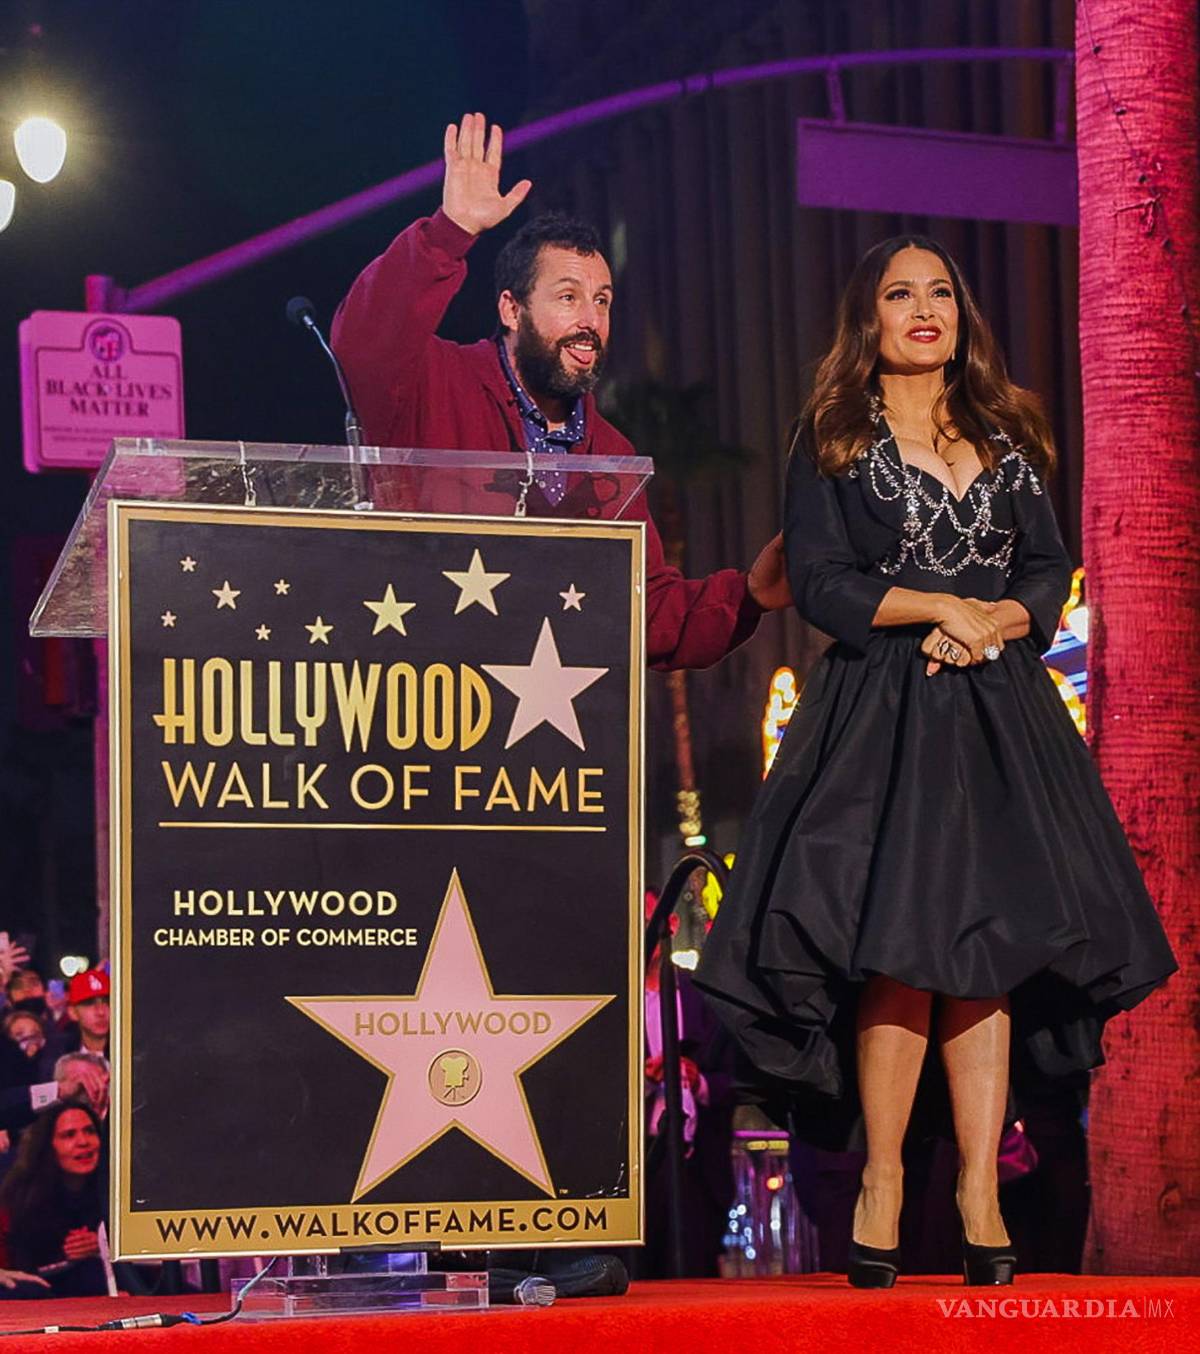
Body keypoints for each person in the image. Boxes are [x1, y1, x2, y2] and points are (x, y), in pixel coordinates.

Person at [694, 236, 1177, 1288]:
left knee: (988, 953)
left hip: (1000, 713)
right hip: (882, 712)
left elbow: (1049, 570)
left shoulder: (1011, 429)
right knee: (905, 952)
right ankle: (881, 1178)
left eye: (942, 293)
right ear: (866, 320)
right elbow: (819, 582)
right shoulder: (827, 433)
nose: (925, 309)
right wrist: (935, 607)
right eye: (899, 293)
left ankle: (977, 1188)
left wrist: (993, 621)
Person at [331, 112, 791, 671]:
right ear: (511, 309)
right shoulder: (436, 383)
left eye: (602, 300)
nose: (590, 320)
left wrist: (749, 596)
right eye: (568, 297)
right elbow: (362, 342)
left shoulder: (611, 456)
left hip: (544, 735)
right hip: (425, 710)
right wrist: (450, 231)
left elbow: (643, 615)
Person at [0, 1100, 108, 1297]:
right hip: (40, 1291)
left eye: (90, 1131)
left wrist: (102, 1245)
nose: (83, 1142)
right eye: (69, 1135)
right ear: (49, 1145)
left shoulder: (113, 1192)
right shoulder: (19, 1195)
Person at [61, 970, 110, 1059]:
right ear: (73, 1013)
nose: (101, 1012)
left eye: (107, 1002)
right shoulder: (59, 1052)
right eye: (89, 1003)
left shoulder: (135, 1049)